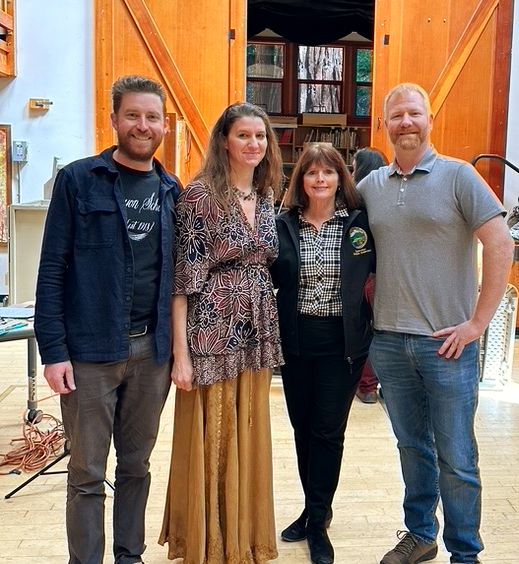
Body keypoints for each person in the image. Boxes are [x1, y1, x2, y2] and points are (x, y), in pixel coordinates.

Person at [357, 83, 514, 564]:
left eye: (414, 113)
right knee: (412, 447)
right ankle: (420, 534)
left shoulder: (459, 176)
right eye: (396, 115)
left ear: (429, 120)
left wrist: (478, 323)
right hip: (389, 342)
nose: (406, 122)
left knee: (457, 457)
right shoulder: (370, 187)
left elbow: (501, 243)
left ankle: (464, 553)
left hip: (448, 345)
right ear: (384, 125)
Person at [34, 75, 181, 564]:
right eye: (133, 115)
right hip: (90, 352)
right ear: (114, 119)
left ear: (164, 126)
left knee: (136, 466)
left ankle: (129, 556)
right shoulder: (78, 180)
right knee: (87, 473)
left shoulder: (171, 190)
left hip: (151, 354)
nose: (143, 125)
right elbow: (52, 269)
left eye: (152, 117)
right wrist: (54, 352)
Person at [159, 102, 284, 563]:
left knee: (248, 429)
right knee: (213, 434)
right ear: (224, 142)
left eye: (260, 136)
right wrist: (181, 354)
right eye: (243, 135)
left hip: (256, 331)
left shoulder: (267, 194)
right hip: (211, 330)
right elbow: (182, 281)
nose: (254, 144)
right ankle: (209, 540)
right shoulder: (200, 196)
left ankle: (242, 536)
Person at [270, 143, 376, 564]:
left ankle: (317, 525)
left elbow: (382, 269)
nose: (319, 179)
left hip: (342, 345)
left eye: (327, 172)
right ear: (301, 180)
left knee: (327, 432)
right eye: (311, 172)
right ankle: (314, 508)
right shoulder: (282, 224)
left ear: (339, 178)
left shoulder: (358, 224)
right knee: (302, 429)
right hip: (296, 341)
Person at [352, 147, 388, 404]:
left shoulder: (357, 198)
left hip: (366, 275)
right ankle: (384, 385)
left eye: (353, 168)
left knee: (365, 331)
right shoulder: (388, 196)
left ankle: (366, 386)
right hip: (390, 275)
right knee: (386, 333)